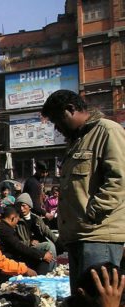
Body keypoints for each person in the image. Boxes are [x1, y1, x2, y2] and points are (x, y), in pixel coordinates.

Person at [41, 89, 125, 290]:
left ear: (70, 110)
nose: (57, 128)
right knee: (82, 305)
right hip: (79, 236)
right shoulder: (77, 142)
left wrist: (92, 213)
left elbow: (119, 179)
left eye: (57, 121)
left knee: (97, 303)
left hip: (98, 235)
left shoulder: (108, 131)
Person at [0, 206, 54, 275]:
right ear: (12, 218)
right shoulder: (4, 229)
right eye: (17, 219)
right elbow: (18, 246)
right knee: (43, 260)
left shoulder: (4, 227)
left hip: (13, 257)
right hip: (9, 260)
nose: (17, 222)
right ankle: (40, 281)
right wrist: (42, 255)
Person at [14, 193, 57, 273]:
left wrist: (59, 242)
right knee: (49, 246)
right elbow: (15, 240)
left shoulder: (36, 219)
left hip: (39, 244)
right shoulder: (16, 221)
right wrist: (29, 242)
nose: (21, 208)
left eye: (24, 206)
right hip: (27, 247)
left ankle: (51, 268)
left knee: (52, 243)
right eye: (19, 206)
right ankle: (51, 271)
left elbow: (47, 232)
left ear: (29, 206)